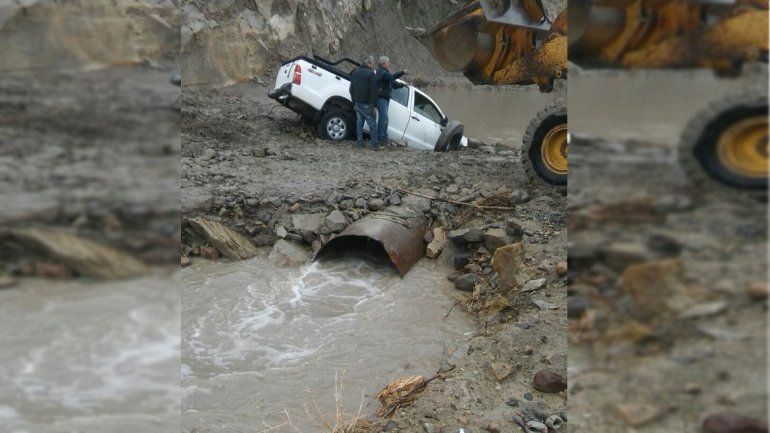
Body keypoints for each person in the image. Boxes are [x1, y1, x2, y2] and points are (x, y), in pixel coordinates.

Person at [349, 54, 379, 150]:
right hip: (367, 103)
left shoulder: (355, 72)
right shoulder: (371, 74)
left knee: (359, 123)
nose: (373, 64)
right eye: (372, 63)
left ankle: (360, 143)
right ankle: (374, 145)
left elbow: (351, 89)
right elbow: (373, 90)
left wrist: (354, 101)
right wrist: (375, 105)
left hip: (357, 102)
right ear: (369, 63)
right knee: (372, 124)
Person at [375, 56, 408, 144]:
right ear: (383, 64)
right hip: (381, 98)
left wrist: (403, 85)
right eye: (388, 62)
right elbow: (392, 77)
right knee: (384, 119)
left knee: (382, 119)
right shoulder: (382, 72)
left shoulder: (385, 73)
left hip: (384, 99)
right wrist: (403, 72)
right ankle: (383, 138)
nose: (389, 64)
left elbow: (393, 84)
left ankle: (380, 138)